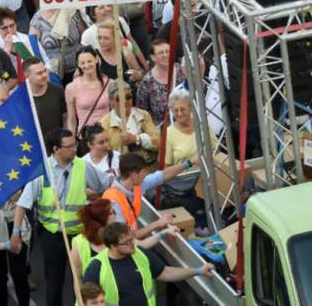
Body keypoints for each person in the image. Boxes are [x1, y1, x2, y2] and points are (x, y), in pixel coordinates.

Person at [13, 128, 107, 306]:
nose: (75, 149)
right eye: (70, 146)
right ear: (56, 149)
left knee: (83, 282)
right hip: (52, 235)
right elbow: (23, 204)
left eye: (75, 144)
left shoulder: (82, 166)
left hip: (79, 236)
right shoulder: (41, 170)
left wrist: (94, 200)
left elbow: (104, 184)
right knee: (54, 282)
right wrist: (16, 232)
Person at [82, 222, 214, 305]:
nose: (133, 244)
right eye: (127, 243)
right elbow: (84, 302)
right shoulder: (96, 268)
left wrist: (198, 271)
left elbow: (165, 272)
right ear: (113, 246)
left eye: (131, 239)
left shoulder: (139, 253)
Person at [162, 89, 211, 232]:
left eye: (182, 109)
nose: (178, 113)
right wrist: (187, 165)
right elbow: (165, 170)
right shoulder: (169, 133)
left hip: (207, 182)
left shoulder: (203, 126)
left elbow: (216, 151)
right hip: (184, 189)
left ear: (191, 108)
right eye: (175, 110)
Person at [99, 80, 159, 161]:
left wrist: (137, 139)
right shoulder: (104, 123)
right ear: (111, 101)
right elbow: (103, 153)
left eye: (128, 97)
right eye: (119, 98)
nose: (125, 101)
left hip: (145, 166)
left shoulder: (143, 115)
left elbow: (157, 142)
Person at [66, 46, 112, 136]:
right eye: (82, 63)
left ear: (96, 60)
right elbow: (71, 119)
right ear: (78, 64)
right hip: (86, 135)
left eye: (89, 61)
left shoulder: (109, 83)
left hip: (107, 133)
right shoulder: (71, 87)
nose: (86, 65)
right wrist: (72, 140)